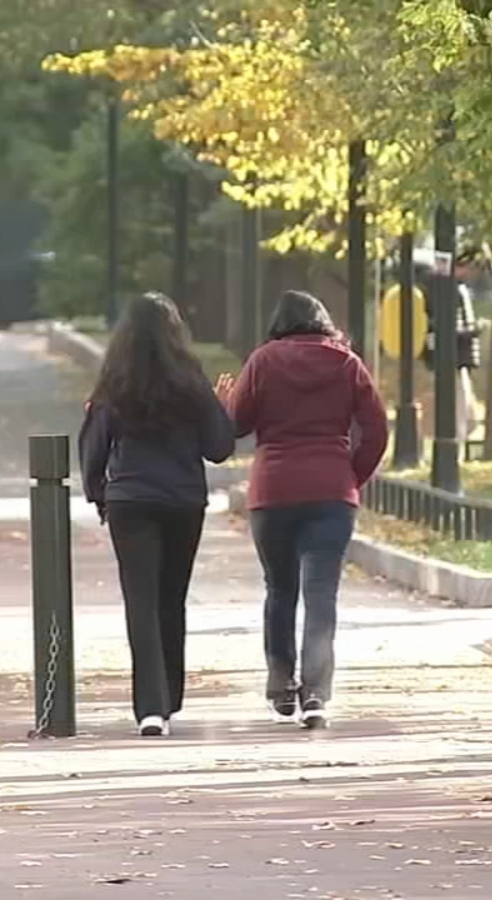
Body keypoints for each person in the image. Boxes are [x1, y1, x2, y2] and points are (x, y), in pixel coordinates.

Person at [215, 291, 388, 729]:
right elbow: (377, 429)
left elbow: (237, 426)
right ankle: (315, 693)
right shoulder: (347, 363)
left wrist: (225, 403)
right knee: (321, 593)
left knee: (280, 589)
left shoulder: (263, 360)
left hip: (273, 491)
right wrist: (352, 475)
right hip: (331, 490)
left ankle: (279, 683)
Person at [79, 292, 236, 737]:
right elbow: (219, 448)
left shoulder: (114, 383)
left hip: (131, 499)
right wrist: (221, 409)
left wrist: (100, 494)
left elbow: (93, 445)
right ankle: (170, 696)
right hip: (184, 501)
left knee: (140, 602)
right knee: (172, 598)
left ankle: (149, 708)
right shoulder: (191, 381)